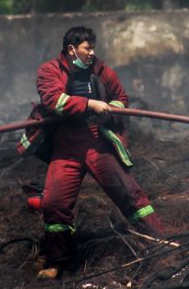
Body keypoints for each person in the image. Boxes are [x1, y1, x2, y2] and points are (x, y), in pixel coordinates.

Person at [30, 26, 164, 279]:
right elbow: (54, 100)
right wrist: (90, 104)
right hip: (65, 146)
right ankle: (57, 261)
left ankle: (161, 243)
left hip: (96, 142)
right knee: (55, 203)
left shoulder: (102, 70)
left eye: (93, 47)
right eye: (87, 48)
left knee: (129, 194)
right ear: (72, 50)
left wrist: (109, 110)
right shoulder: (50, 71)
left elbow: (121, 98)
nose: (93, 52)